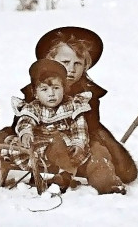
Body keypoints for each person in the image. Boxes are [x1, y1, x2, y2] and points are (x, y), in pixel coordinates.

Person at [35, 26, 138, 184]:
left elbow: (91, 126)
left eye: (78, 64)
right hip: (45, 138)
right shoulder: (39, 87)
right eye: (65, 62)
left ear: (85, 67)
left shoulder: (87, 92)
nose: (71, 69)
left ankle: (99, 175)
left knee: (124, 170)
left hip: (84, 136)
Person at [12, 59, 125, 195]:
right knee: (56, 143)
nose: (51, 94)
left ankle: (108, 183)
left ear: (64, 89)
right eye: (44, 89)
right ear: (35, 93)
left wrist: (79, 143)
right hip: (44, 148)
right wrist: (26, 132)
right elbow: (26, 120)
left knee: (99, 153)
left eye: (56, 88)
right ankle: (62, 177)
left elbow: (80, 127)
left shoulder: (72, 105)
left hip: (72, 148)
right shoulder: (34, 107)